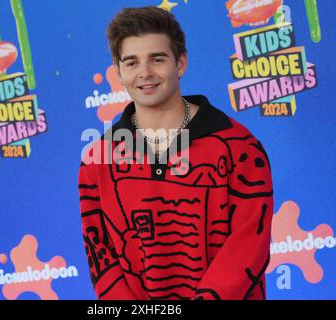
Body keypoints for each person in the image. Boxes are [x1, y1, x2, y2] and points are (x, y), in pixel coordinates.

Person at [78, 6, 273, 300]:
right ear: (118, 71)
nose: (145, 73)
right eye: (131, 62)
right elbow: (100, 255)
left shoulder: (239, 147)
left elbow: (248, 248)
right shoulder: (97, 160)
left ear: (180, 63)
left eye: (157, 59)